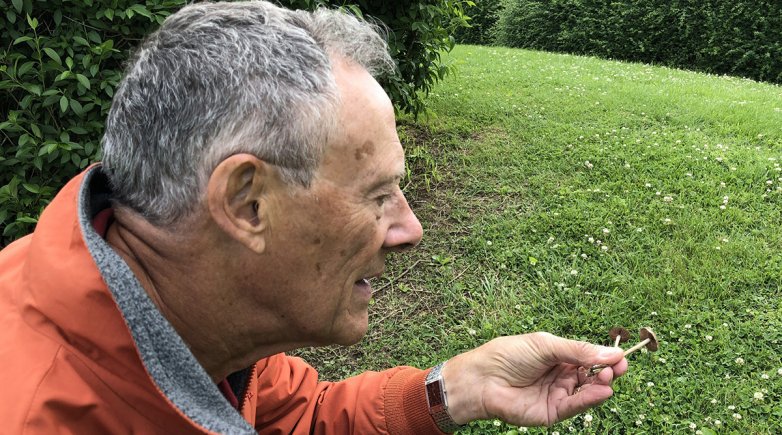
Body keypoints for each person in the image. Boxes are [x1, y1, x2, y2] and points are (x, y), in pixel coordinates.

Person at [0, 1, 628, 433]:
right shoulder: (31, 410)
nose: (410, 229)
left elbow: (296, 421)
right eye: (379, 195)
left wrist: (458, 387)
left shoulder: (205, 318)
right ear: (247, 204)